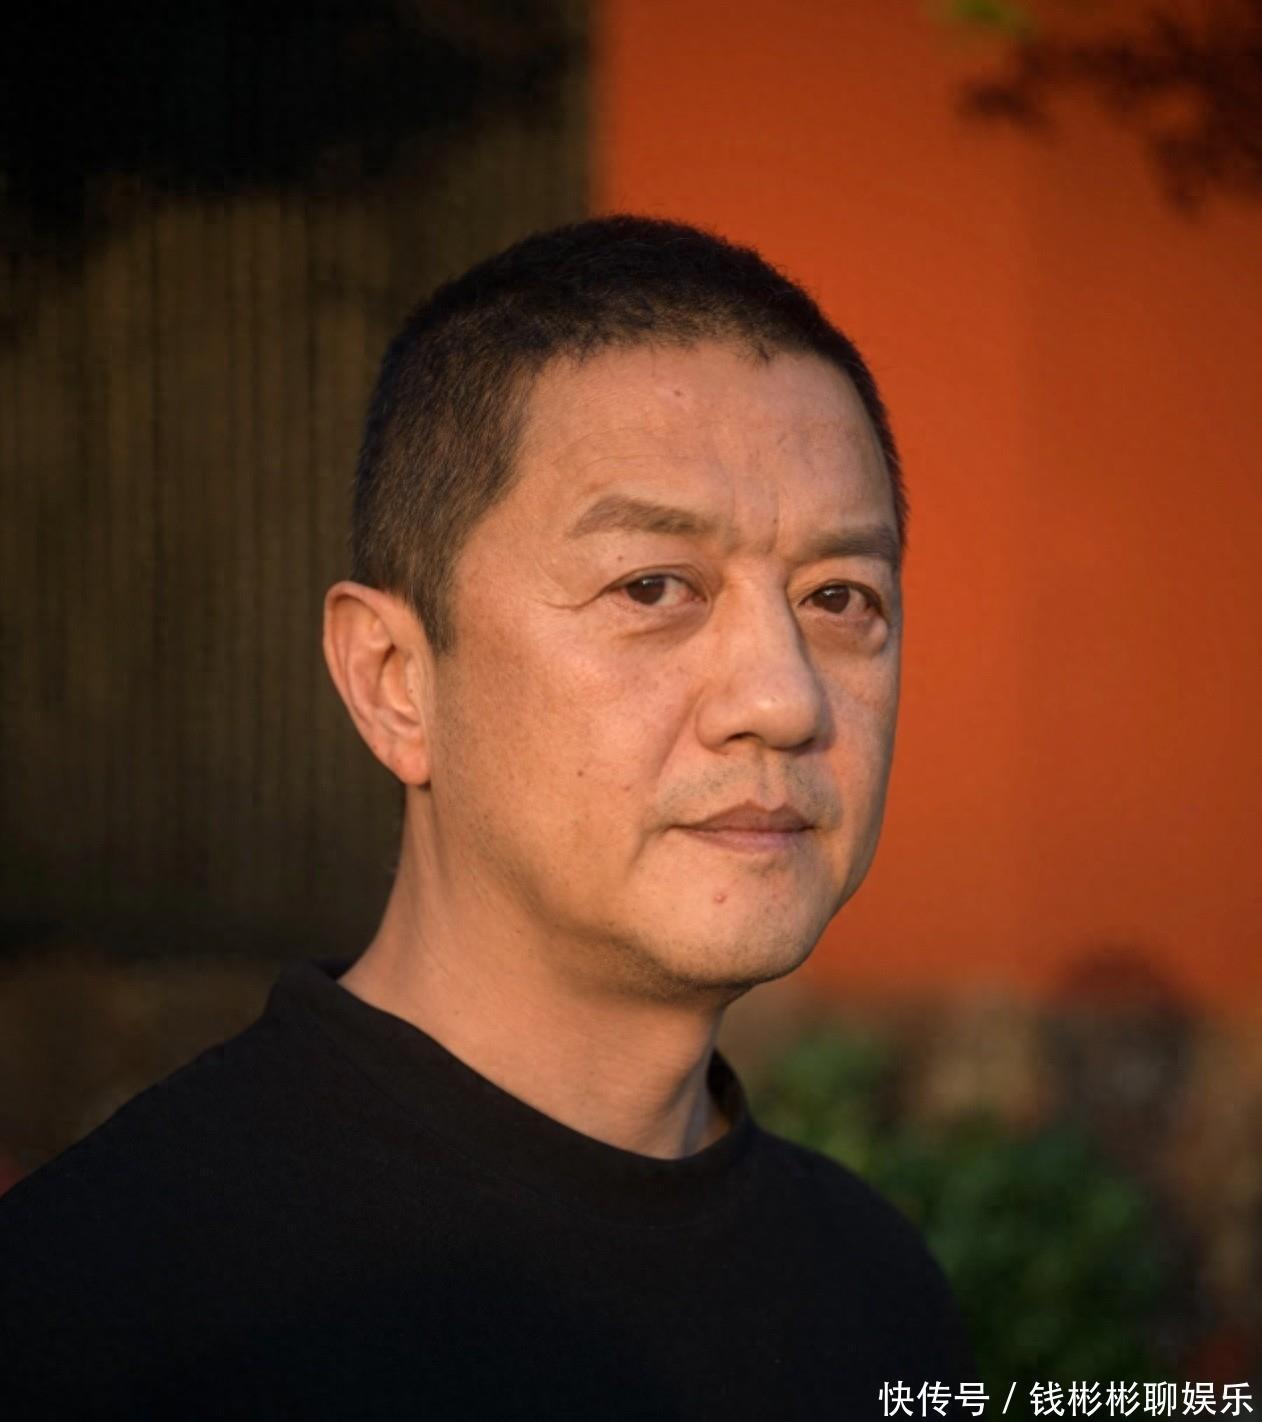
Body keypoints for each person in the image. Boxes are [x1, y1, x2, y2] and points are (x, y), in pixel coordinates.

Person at [0, 215, 973, 1418]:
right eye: (651, 587)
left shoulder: (874, 1291)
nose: (782, 700)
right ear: (394, 682)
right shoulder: (102, 1312)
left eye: (838, 597)